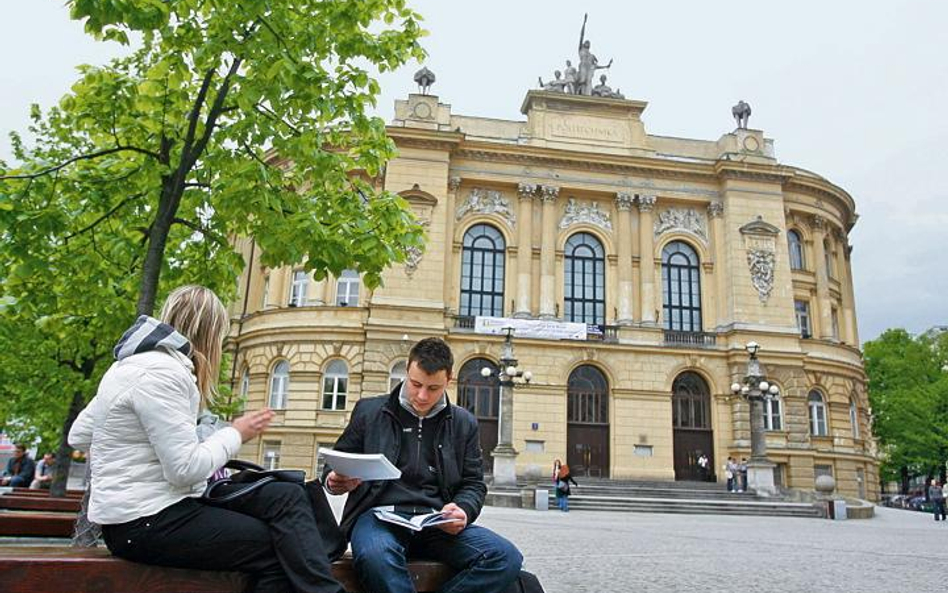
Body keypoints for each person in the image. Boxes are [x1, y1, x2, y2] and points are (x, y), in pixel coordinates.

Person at [68, 285, 345, 593]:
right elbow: (184, 469)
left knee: (287, 504)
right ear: (210, 334)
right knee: (285, 548)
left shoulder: (127, 366)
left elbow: (79, 434)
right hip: (147, 522)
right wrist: (235, 433)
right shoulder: (165, 375)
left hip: (142, 516)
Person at [325, 337, 523, 593]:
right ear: (407, 371)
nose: (421, 395)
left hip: (436, 523)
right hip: (378, 518)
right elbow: (335, 464)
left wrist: (463, 510)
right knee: (376, 556)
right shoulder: (369, 411)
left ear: (448, 380)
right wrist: (333, 480)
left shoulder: (463, 423)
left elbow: (473, 483)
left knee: (505, 557)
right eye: (415, 384)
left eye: (433, 388)